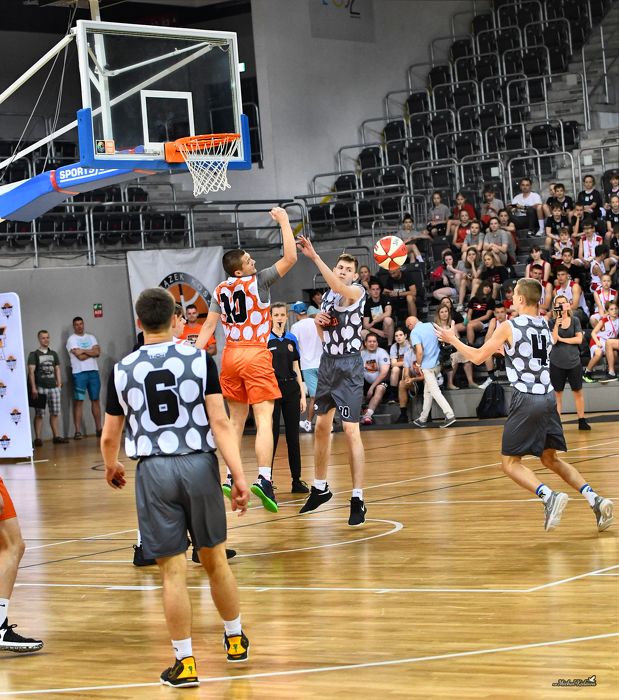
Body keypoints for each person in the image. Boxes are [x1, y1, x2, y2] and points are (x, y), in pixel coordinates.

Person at [101, 288, 251, 687]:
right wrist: (237, 475)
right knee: (215, 560)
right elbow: (220, 422)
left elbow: (110, 435)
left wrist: (112, 466)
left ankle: (185, 663)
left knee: (172, 573)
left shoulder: (121, 369)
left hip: (153, 471)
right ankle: (235, 638)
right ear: (175, 320)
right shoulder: (200, 359)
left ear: (138, 323)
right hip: (199, 464)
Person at [435, 277, 614, 532]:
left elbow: (478, 357)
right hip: (548, 397)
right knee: (550, 459)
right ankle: (595, 499)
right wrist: (499, 350)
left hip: (526, 398)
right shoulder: (544, 325)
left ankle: (548, 496)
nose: (511, 299)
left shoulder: (509, 326)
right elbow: (521, 351)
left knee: (509, 464)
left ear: (519, 298)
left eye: (513, 295)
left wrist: (452, 339)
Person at [195, 207, 297, 513]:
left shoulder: (220, 289)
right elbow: (290, 257)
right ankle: (264, 479)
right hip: (254, 353)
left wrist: (192, 356)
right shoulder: (259, 281)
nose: (254, 263)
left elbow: (208, 327)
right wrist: (284, 222)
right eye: (249, 261)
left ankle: (230, 475)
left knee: (235, 421)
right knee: (264, 418)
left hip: (231, 356)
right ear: (239, 271)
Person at [295, 238, 368, 527]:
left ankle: (358, 498)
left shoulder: (357, 291)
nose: (342, 272)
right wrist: (318, 324)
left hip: (349, 366)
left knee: (350, 430)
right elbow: (322, 331)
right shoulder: (327, 297)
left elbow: (340, 288)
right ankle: (320, 487)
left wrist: (314, 256)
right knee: (320, 426)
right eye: (340, 267)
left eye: (347, 269)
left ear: (354, 275)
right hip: (328, 363)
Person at [268, 302, 308, 494]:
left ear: (286, 316)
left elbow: (296, 367)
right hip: (272, 390)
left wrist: (302, 394)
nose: (279, 318)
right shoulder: (265, 339)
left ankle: (296, 480)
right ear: (270, 317)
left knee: (293, 437)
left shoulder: (292, 338)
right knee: (272, 436)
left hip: (291, 389)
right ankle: (267, 481)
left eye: (282, 315)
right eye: (276, 315)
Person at [548, 295, 590, 429]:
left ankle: (581, 420)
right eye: (558, 303)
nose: (561, 305)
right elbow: (553, 340)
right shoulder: (551, 322)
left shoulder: (575, 320)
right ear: (555, 306)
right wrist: (557, 324)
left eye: (563, 302)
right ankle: (557, 423)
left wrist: (562, 339)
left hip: (574, 361)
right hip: (556, 361)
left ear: (567, 304)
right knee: (557, 393)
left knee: (578, 392)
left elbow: (579, 339)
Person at [406, 315, 456, 428]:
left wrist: (418, 365)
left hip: (427, 366)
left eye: (408, 327)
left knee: (434, 391)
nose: (409, 329)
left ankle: (450, 415)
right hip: (438, 363)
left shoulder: (414, 332)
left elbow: (419, 351)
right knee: (427, 392)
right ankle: (423, 419)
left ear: (410, 325)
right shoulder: (431, 325)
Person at [27, 330, 69, 446]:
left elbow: (57, 369)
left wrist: (59, 384)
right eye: (43, 338)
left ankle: (56, 436)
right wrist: (33, 388)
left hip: (54, 388)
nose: (46, 340)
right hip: (40, 388)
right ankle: (38, 438)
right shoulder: (34, 354)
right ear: (39, 339)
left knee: (55, 413)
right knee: (39, 414)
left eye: (47, 337)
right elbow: (31, 372)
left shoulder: (53, 354)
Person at [66, 316, 102, 440]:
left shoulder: (91, 337)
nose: (79, 326)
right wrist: (91, 351)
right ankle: (77, 431)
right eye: (76, 324)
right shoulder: (71, 339)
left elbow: (97, 352)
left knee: (95, 400)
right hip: (79, 373)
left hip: (93, 372)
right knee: (79, 401)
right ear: (73, 326)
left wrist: (83, 350)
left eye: (81, 324)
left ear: (83, 324)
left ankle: (99, 429)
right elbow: (79, 357)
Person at [290, 305, 324, 433]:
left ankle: (310, 423)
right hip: (322, 363)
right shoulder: (316, 322)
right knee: (325, 395)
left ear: (296, 313)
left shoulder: (295, 327)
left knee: (314, 397)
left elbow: (293, 347)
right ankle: (326, 424)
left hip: (307, 366)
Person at [435, 302, 476, 390]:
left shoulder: (451, 326)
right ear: (438, 314)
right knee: (454, 356)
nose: (444, 314)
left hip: (452, 350)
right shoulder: (436, 327)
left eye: (446, 311)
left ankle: (471, 382)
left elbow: (458, 340)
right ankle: (449, 383)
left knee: (466, 355)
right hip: (442, 353)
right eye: (442, 312)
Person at [584, 301, 619, 382]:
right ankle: (587, 372)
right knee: (598, 353)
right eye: (611, 309)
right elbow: (593, 333)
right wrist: (597, 342)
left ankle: (610, 370)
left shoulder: (618, 320)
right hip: (598, 340)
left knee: (615, 353)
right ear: (607, 311)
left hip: (608, 342)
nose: (614, 311)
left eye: (616, 309)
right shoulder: (604, 320)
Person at [360, 332, 390, 425]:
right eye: (370, 341)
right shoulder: (361, 354)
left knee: (379, 388)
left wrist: (371, 388)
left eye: (374, 341)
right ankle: (361, 407)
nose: (372, 343)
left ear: (377, 343)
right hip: (366, 383)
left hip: (381, 383)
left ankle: (367, 415)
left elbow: (384, 373)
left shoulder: (382, 353)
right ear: (365, 343)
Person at [479, 302, 509, 390]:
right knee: (487, 352)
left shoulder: (510, 320)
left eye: (502, 312)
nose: (500, 315)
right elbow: (487, 338)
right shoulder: (494, 321)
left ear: (505, 312)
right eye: (497, 312)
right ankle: (491, 377)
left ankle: (515, 378)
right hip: (498, 347)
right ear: (494, 313)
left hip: (510, 347)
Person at [362, 280, 394, 346]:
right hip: (374, 330)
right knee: (363, 332)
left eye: (377, 289)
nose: (375, 291)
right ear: (370, 291)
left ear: (380, 290)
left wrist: (374, 321)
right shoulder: (367, 304)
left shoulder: (385, 298)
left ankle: (389, 345)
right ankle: (373, 349)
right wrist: (378, 331)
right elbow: (365, 324)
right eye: (373, 289)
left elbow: (388, 313)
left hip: (385, 327)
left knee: (388, 320)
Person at [466, 280, 496, 345]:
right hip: (472, 321)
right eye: (486, 286)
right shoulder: (474, 299)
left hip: (484, 323)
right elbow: (469, 313)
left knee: (470, 325)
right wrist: (468, 320)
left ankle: (470, 346)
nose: (488, 288)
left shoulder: (491, 300)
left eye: (490, 287)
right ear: (481, 287)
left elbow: (487, 316)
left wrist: (472, 321)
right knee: (456, 327)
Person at [389, 327, 411, 412]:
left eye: (401, 335)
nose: (398, 337)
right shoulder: (394, 347)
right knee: (395, 369)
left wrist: (404, 363)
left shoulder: (410, 345)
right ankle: (393, 395)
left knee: (406, 369)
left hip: (410, 368)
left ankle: (407, 394)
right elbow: (393, 364)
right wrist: (405, 362)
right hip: (400, 368)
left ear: (405, 336)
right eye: (396, 336)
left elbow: (411, 361)